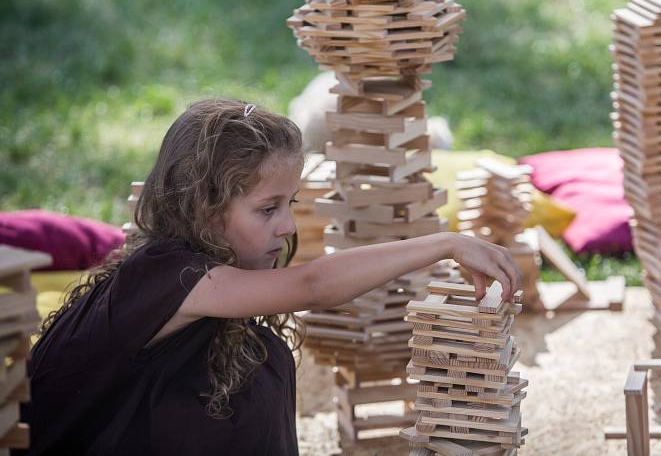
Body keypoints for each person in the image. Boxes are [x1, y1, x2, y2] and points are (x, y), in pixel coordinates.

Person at [23, 98, 522, 455]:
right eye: (267, 209)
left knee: (263, 359)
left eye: (291, 204)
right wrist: (447, 243)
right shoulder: (164, 275)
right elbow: (312, 286)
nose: (286, 227)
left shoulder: (202, 276)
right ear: (204, 207)